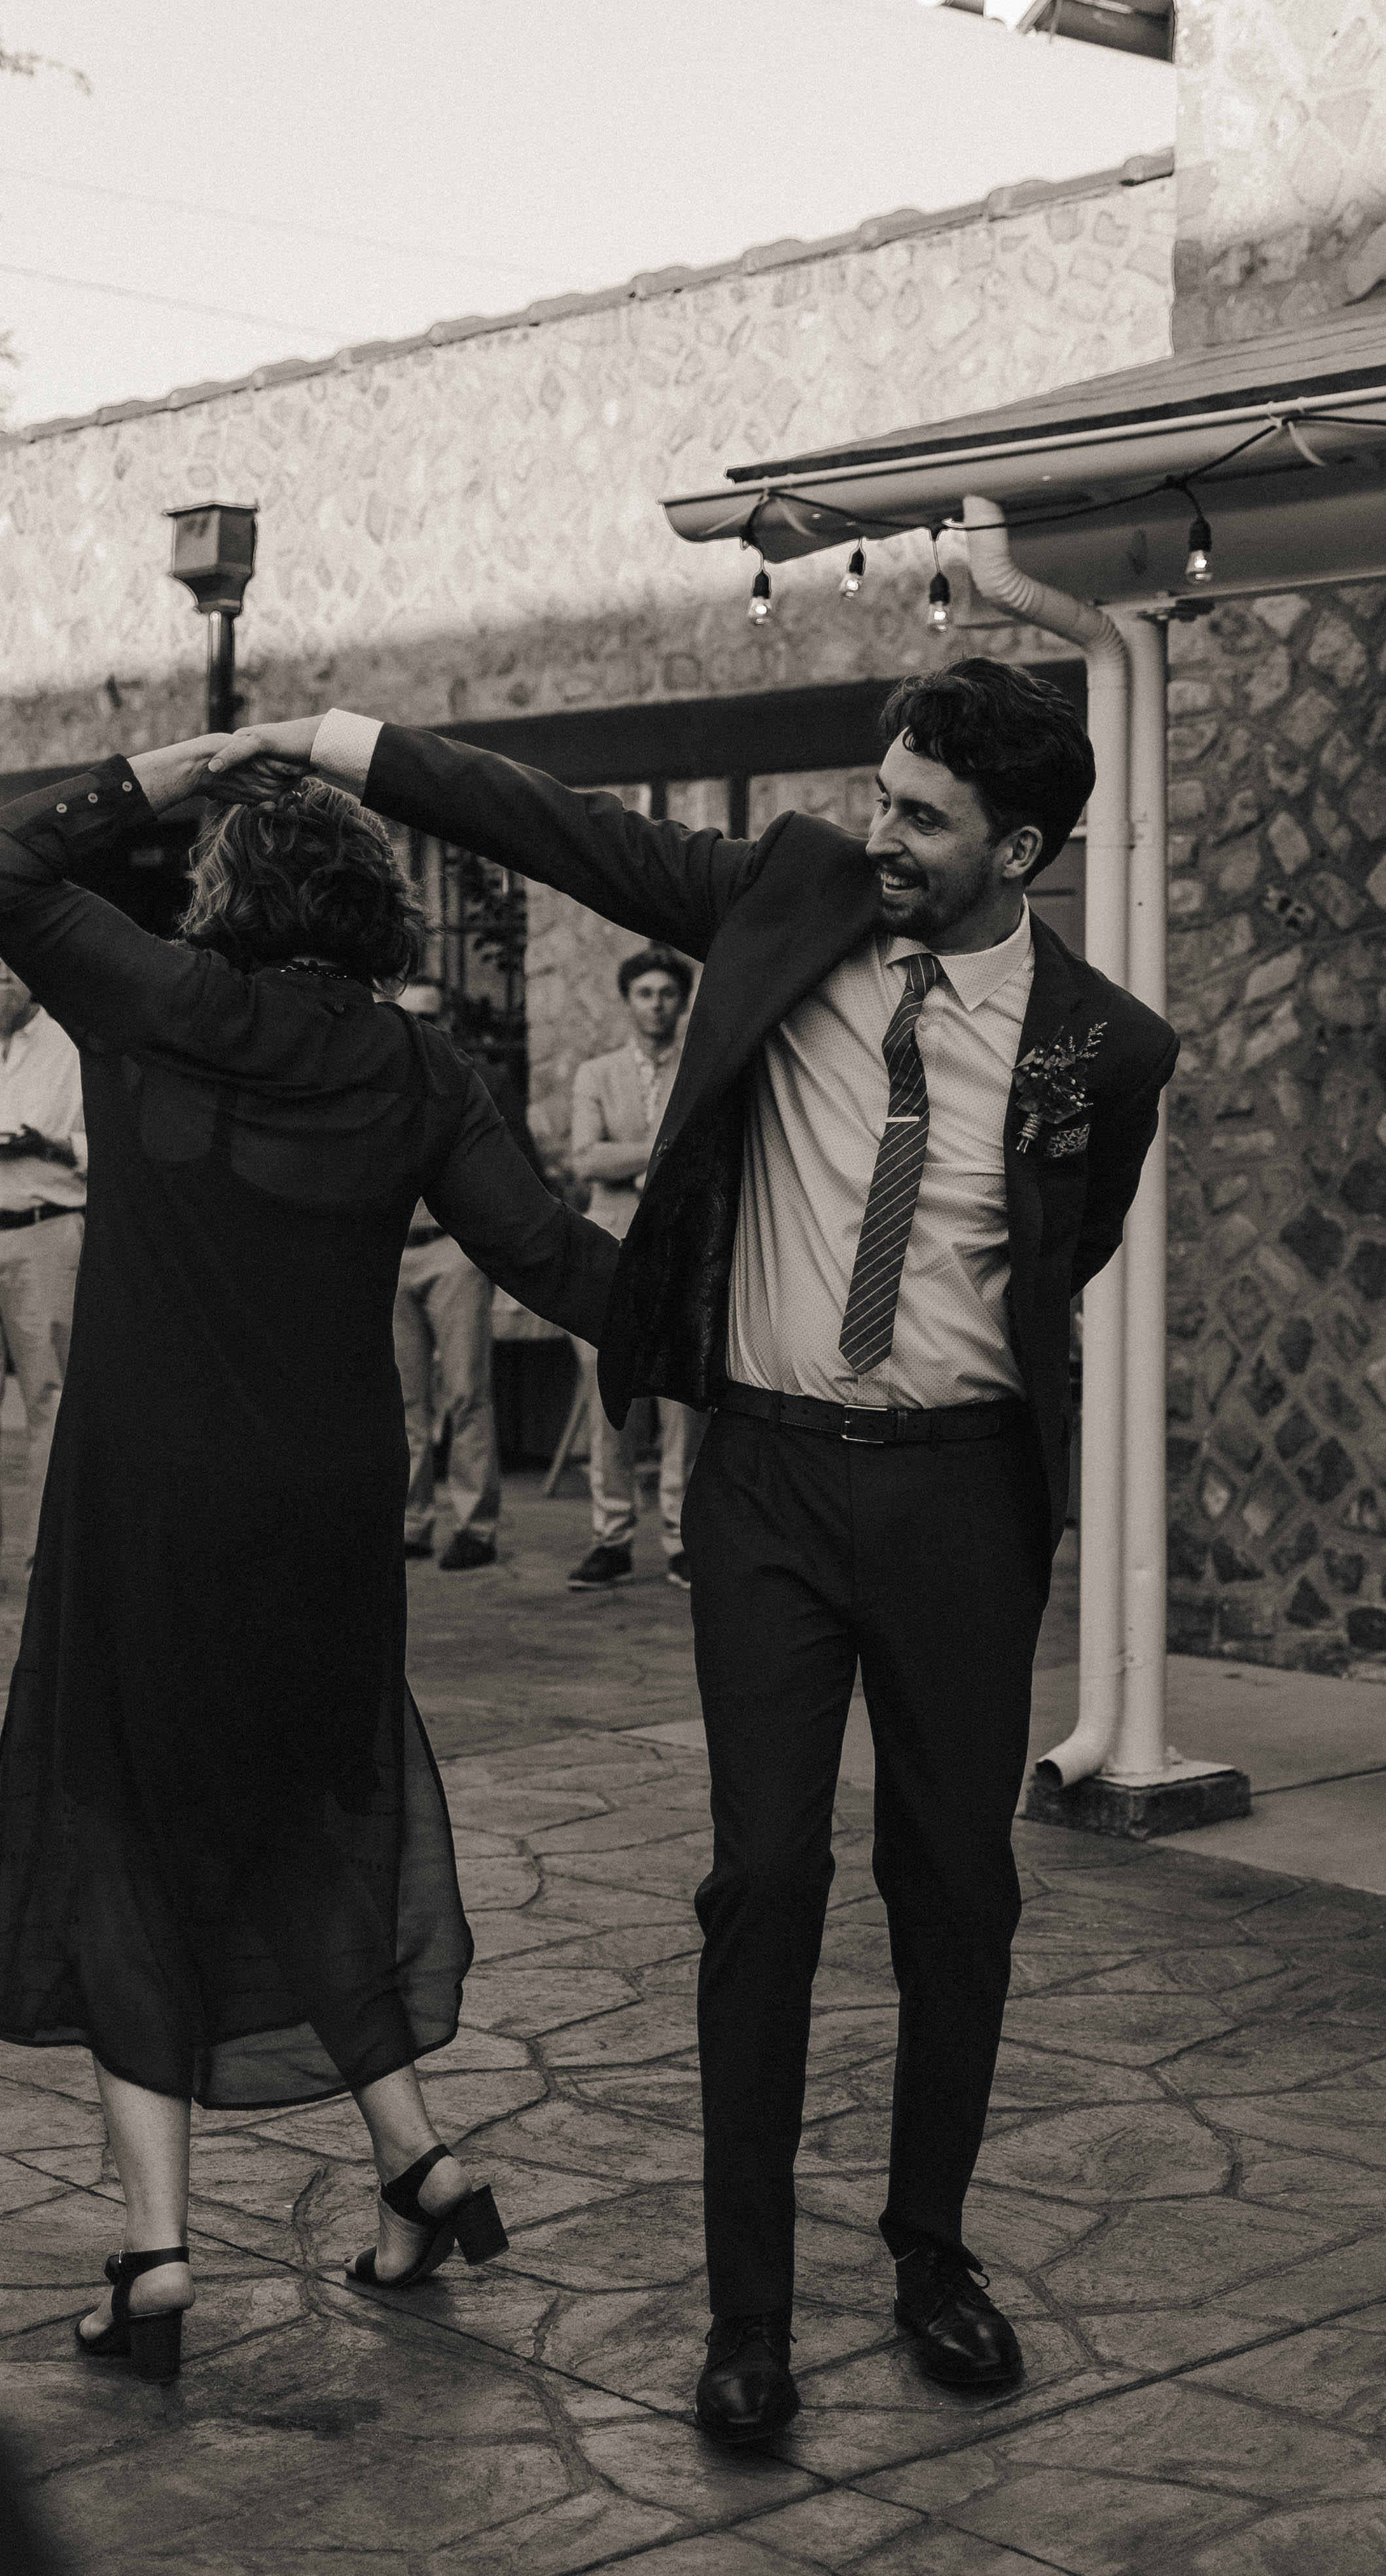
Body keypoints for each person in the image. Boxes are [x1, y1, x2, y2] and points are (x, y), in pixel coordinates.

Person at [209, 656, 1177, 2444]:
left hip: (963, 1498)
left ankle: (931, 2255)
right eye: (881, 795)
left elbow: (1070, 1244)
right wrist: (324, 742)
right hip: (768, 1485)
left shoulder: (1107, 1047)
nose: (881, 833)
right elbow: (553, 829)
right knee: (764, 1881)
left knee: (956, 1887)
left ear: (1018, 850)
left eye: (922, 818)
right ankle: (749, 2321)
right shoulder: (788, 894)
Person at [0, 747, 617, 2384]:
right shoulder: (417, 1067)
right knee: (288, 1814)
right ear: (368, 910)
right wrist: (733, 1331)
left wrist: (178, 764)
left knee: (122, 1824)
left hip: (151, 1505)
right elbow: (546, 1255)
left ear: (226, 894)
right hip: (329, 1518)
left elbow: (3, 860)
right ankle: (416, 2165)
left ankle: (156, 2255)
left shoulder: (154, 1002)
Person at [567, 942, 705, 1592]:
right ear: (627, 1001)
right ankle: (612, 1536)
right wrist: (661, 1152)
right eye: (645, 994)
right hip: (610, 1247)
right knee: (608, 1395)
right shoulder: (597, 1074)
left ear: (681, 1002)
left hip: (683, 1246)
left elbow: (710, 1152)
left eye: (667, 993)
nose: (656, 1005)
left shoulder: (699, 1070)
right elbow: (585, 1159)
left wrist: (636, 1159)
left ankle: (682, 1537)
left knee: (683, 1403)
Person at [391, 976, 535, 1573]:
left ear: (449, 1021)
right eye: (406, 1015)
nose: (418, 1027)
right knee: (403, 1397)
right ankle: (411, 1522)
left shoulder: (481, 1079)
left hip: (454, 1249)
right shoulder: (376, 1079)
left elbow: (519, 1165)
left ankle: (476, 1524)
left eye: (429, 1015)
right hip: (393, 1250)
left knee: (468, 1391)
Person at [0, 958, 86, 1571]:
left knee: (50, 1396)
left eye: (8, 972)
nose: (1, 983)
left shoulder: (71, 1043)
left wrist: (50, 1145)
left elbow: (113, 1141)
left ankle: (45, 1559)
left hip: (45, 1229)